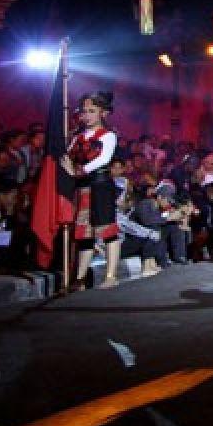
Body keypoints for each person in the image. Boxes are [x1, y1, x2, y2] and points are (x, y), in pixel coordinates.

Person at [61, 91, 123, 290]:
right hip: (82, 187)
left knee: (107, 230)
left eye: (91, 111)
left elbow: (104, 159)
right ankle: (79, 279)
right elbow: (67, 159)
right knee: (84, 233)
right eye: (84, 111)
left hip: (100, 185)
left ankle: (111, 275)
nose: (86, 115)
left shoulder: (108, 135)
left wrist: (80, 170)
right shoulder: (77, 137)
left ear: (103, 113)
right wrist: (69, 169)